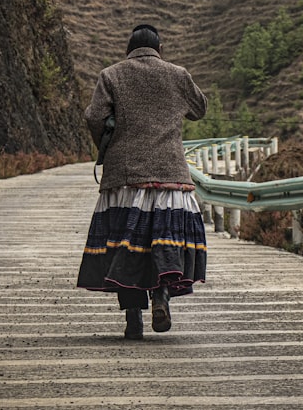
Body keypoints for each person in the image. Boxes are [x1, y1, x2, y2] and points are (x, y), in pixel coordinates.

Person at [76, 24, 208, 339]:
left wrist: (107, 145)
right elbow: (200, 109)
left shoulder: (111, 75)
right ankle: (161, 296)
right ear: (159, 49)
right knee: (163, 242)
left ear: (129, 49)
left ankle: (133, 318)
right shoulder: (177, 74)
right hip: (169, 175)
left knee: (126, 246)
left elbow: (94, 117)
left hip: (124, 176)